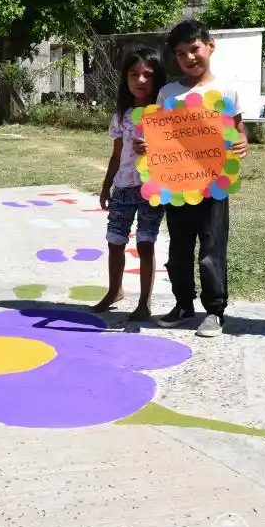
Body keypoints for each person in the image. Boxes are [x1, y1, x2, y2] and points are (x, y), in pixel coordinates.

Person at [135, 20, 248, 338]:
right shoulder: (168, 92)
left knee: (212, 249)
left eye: (195, 49)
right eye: (181, 53)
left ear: (210, 46)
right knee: (178, 251)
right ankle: (183, 304)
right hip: (176, 187)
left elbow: (238, 133)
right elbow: (155, 136)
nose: (189, 58)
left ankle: (214, 311)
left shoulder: (226, 90)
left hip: (213, 186)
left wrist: (242, 143)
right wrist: (143, 145)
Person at [94, 46, 167, 328]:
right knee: (115, 241)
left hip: (152, 190)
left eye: (148, 75)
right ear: (125, 78)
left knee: (145, 244)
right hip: (123, 188)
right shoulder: (121, 115)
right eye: (134, 74)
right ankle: (115, 290)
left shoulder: (165, 114)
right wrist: (106, 185)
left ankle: (144, 302)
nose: (140, 80)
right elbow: (116, 154)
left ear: (157, 78)